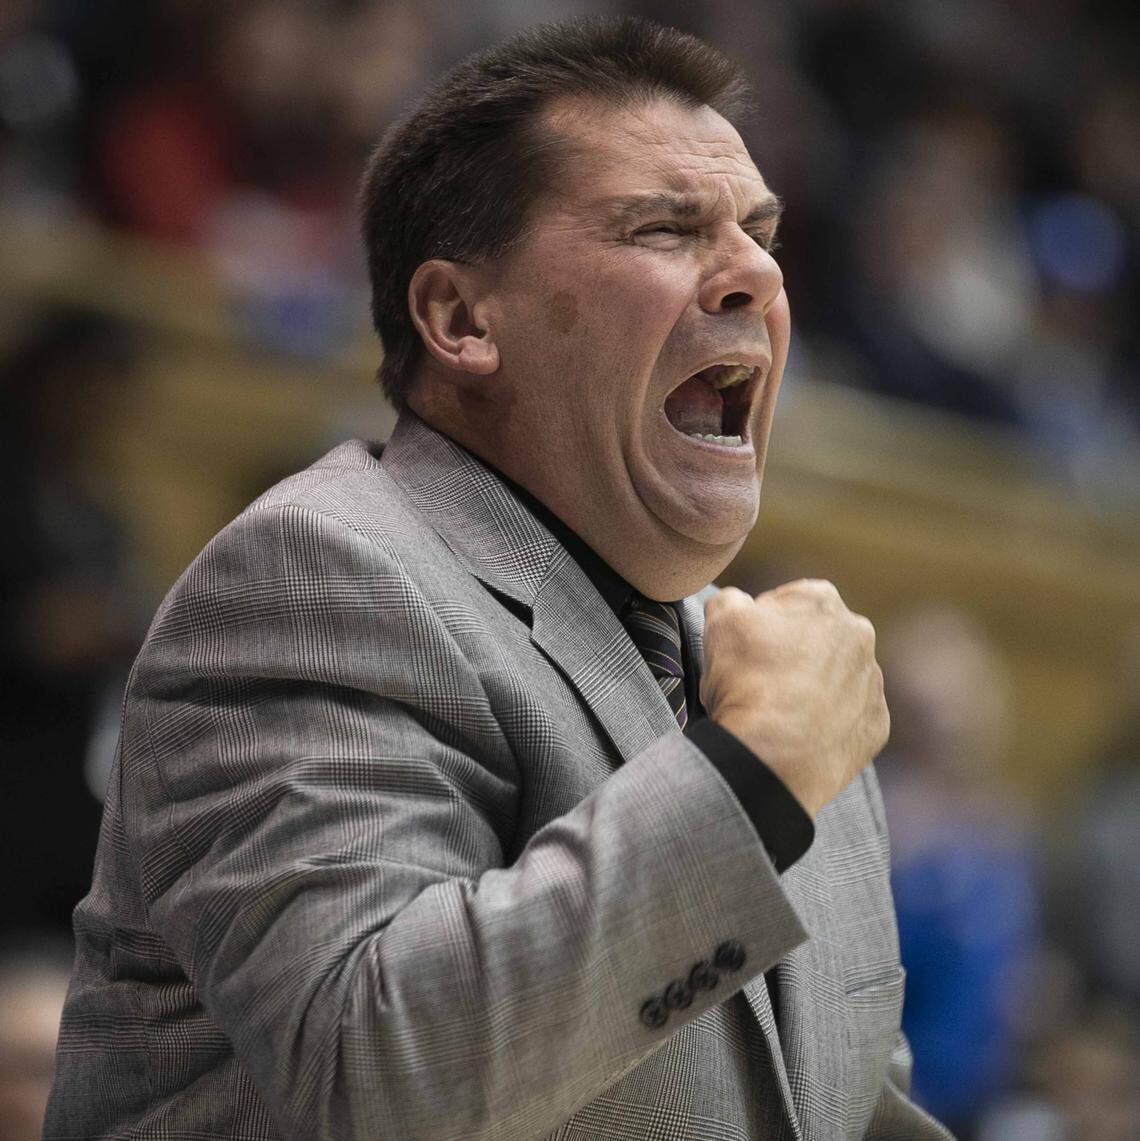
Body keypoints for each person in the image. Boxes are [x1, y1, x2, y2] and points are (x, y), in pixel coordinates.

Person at [45, 17, 954, 1140]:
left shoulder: (773, 681)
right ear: (462, 318)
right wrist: (754, 777)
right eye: (667, 227)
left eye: (761, 234)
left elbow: (844, 1109)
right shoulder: (319, 576)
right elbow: (375, 1075)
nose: (759, 274)